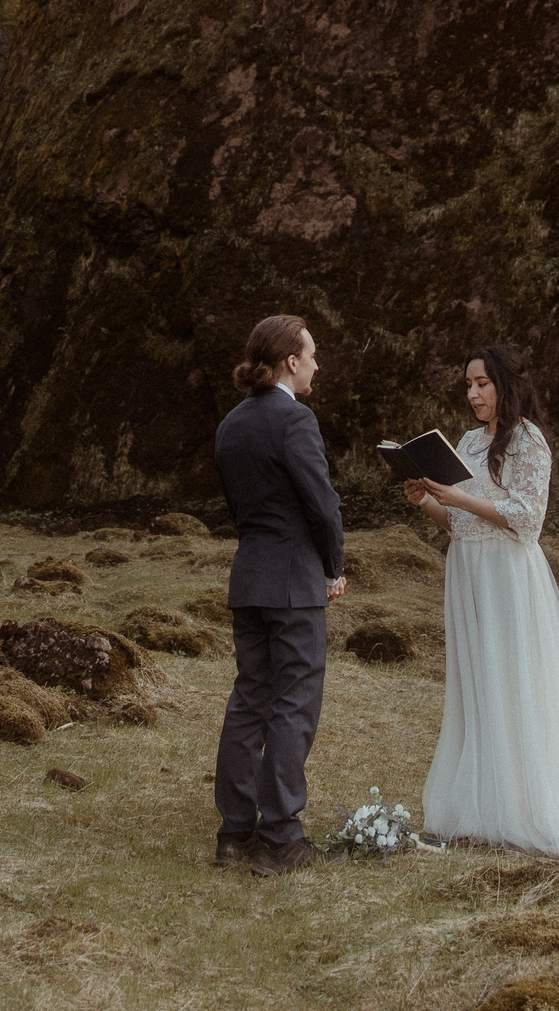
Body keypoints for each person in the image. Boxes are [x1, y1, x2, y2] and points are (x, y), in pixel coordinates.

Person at [404, 343, 559, 856]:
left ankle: (525, 800)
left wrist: (462, 496)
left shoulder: (528, 440)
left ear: (505, 385)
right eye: (468, 386)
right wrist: (426, 499)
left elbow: (527, 519)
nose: (473, 394)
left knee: (514, 680)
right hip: (468, 571)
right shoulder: (468, 443)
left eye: (482, 384)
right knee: (478, 680)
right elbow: (459, 523)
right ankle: (481, 800)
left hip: (508, 575)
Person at [211, 313, 346, 876]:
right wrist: (333, 567)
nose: (317, 363)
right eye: (311, 354)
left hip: (249, 577)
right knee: (293, 703)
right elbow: (321, 503)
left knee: (249, 701)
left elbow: (241, 508)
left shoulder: (231, 425)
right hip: (293, 582)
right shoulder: (296, 420)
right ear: (291, 361)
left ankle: (235, 832)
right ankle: (282, 837)